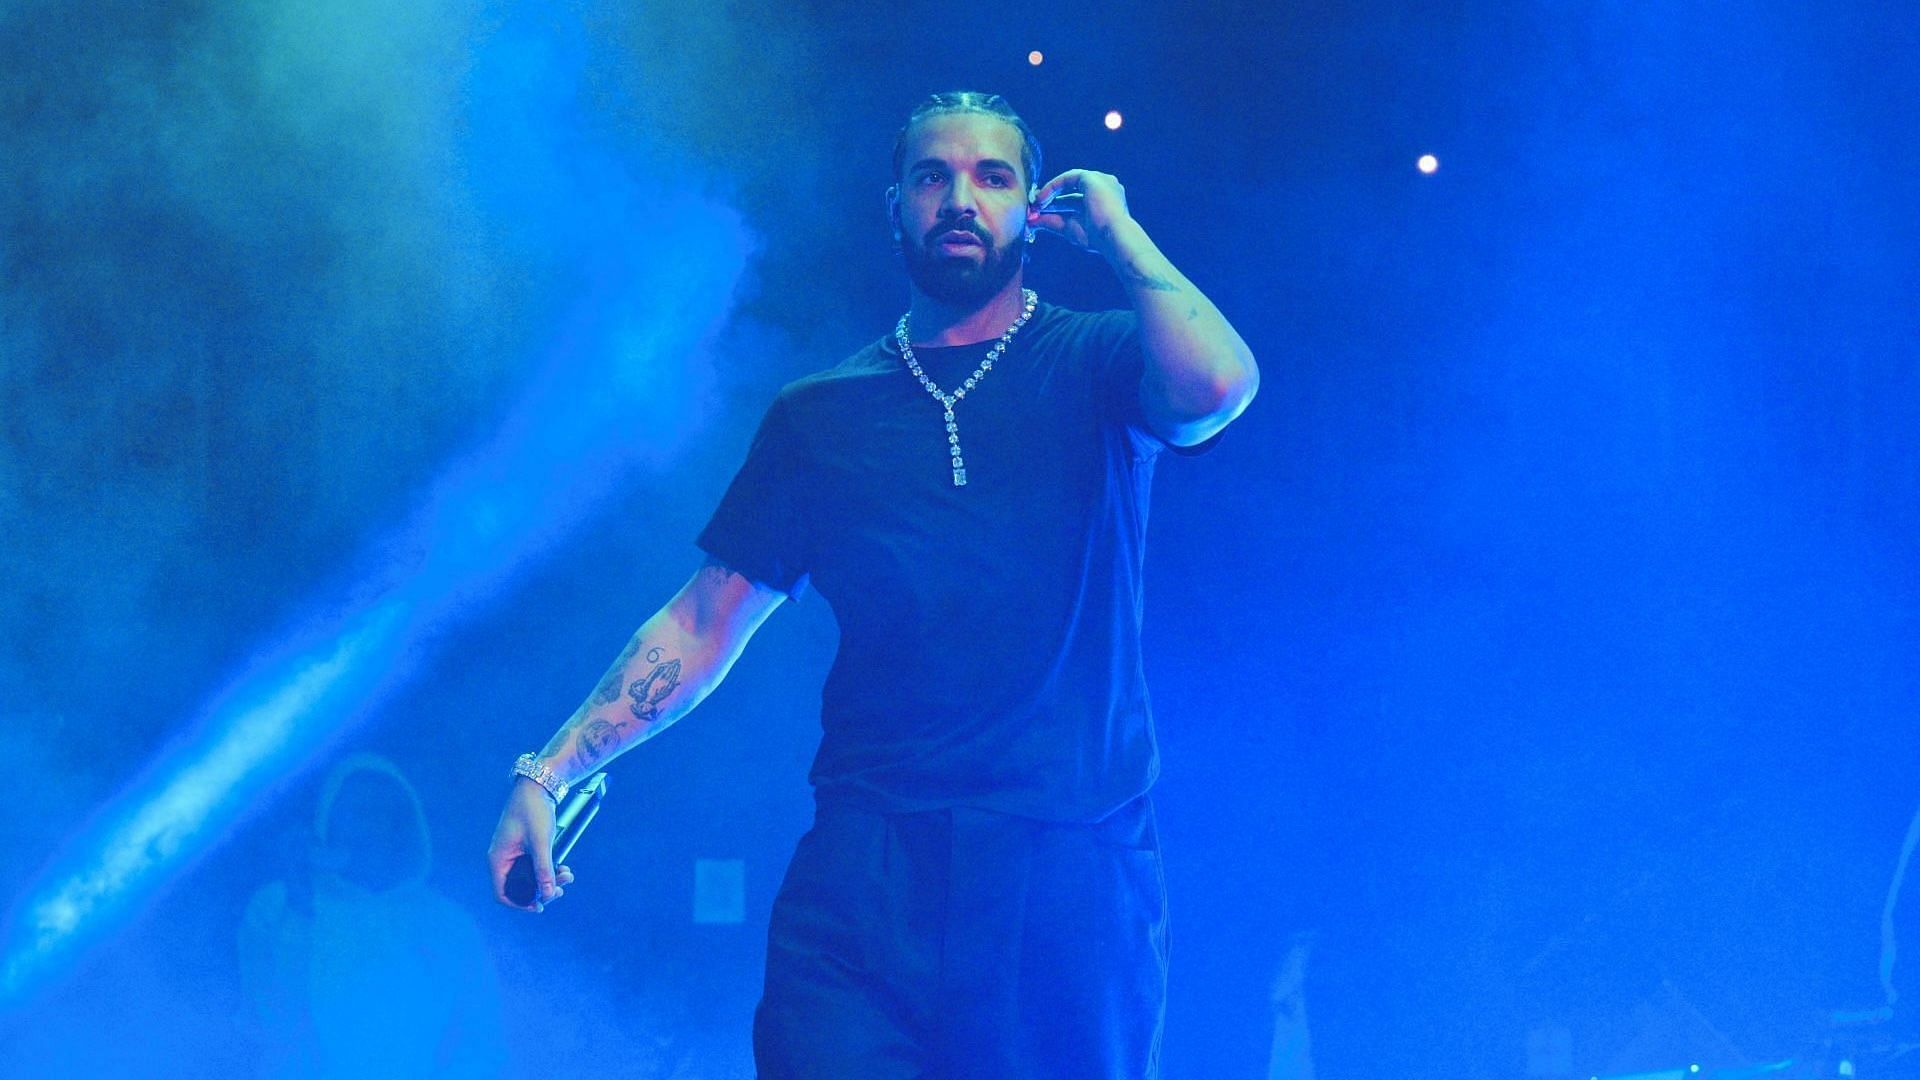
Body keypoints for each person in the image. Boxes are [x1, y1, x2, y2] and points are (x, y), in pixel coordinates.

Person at [487, 90, 1259, 1078]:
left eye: (993, 176)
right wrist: (550, 772)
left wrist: (1118, 234)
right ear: (894, 204)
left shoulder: (1096, 358)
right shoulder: (825, 415)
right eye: (933, 176)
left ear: (1035, 208)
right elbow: (703, 620)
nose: (960, 198)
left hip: (1065, 861)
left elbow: (1217, 390)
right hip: (868, 868)